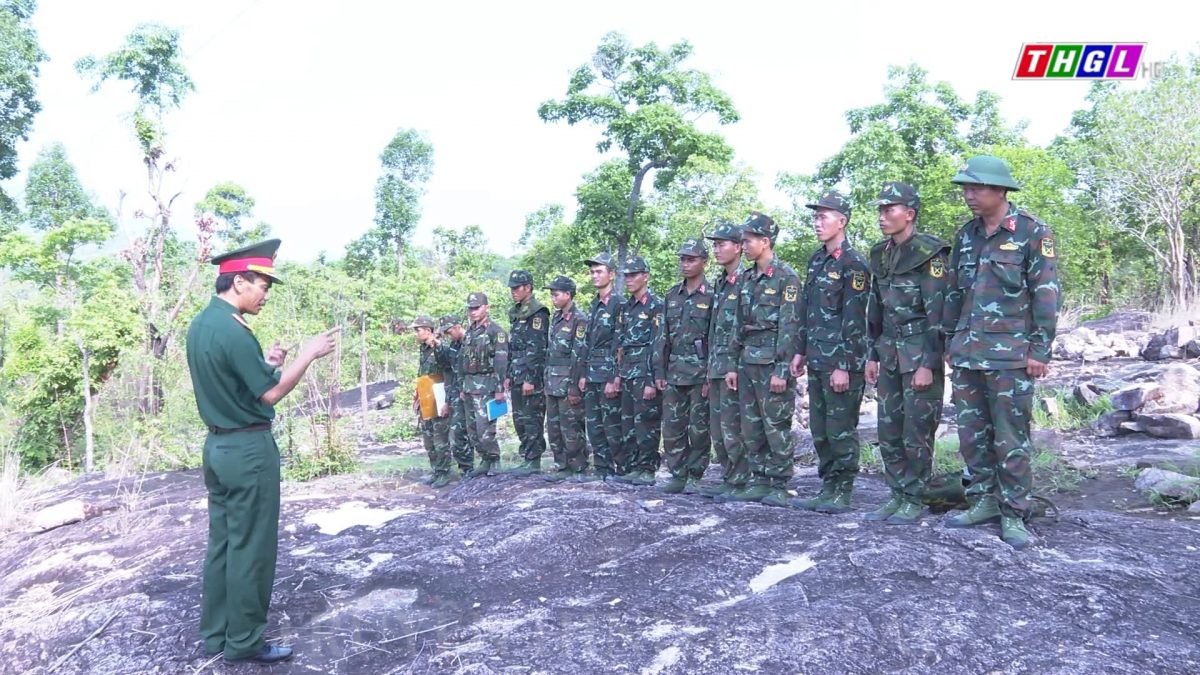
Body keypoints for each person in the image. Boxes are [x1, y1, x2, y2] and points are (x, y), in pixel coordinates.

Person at [186, 238, 339, 665]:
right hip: (247, 450)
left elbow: (238, 385)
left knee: (223, 544)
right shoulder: (233, 331)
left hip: (218, 447)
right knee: (251, 547)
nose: (265, 294)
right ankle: (245, 641)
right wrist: (307, 355)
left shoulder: (203, 324)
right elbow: (269, 396)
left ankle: (217, 634)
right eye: (262, 285)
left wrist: (269, 364)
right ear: (239, 282)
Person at [942, 155, 1060, 550]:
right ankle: (982, 501)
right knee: (972, 435)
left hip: (1011, 355)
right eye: (965, 188)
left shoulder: (1032, 232)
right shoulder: (966, 235)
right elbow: (954, 292)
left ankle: (1013, 512)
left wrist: (1040, 349)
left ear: (999, 190)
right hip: (967, 352)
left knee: (1011, 438)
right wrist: (950, 341)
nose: (968, 195)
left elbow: (1046, 293)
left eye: (975, 188)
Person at [862, 182, 950, 523]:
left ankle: (915, 496)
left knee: (917, 430)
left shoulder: (930, 253)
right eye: (880, 210)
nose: (882, 216)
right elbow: (876, 308)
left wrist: (929, 363)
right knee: (889, 429)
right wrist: (872, 354)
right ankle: (897, 493)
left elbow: (938, 315)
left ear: (909, 214)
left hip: (918, 354)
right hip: (888, 353)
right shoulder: (880, 254)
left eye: (889, 210)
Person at [790, 192, 870, 513]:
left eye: (823, 216)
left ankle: (843, 490)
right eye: (815, 216)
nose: (817, 222)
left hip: (841, 363)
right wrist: (800, 351)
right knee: (820, 429)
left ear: (842, 221)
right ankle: (828, 487)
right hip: (817, 359)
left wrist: (844, 365)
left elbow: (856, 319)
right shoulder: (817, 260)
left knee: (840, 429)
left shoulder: (854, 264)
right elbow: (807, 310)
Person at [722, 212, 802, 507]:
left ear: (765, 241)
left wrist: (782, 369)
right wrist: (732, 364)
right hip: (747, 361)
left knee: (775, 424)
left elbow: (790, 326)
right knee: (751, 425)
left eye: (748, 241)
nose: (743, 246)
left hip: (772, 362)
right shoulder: (746, 278)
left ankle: (779, 483)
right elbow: (737, 324)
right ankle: (759, 480)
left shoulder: (786, 277)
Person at [659, 239, 714, 494]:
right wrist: (659, 370)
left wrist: (710, 375)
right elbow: (663, 337)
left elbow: (716, 337)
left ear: (704, 262)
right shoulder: (672, 295)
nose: (685, 264)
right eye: (682, 259)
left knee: (698, 428)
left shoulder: (713, 294)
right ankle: (677, 474)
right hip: (674, 372)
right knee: (672, 427)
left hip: (700, 372)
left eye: (691, 259)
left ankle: (695, 475)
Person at [700, 222, 747, 499]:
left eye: (722, 244)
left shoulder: (746, 279)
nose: (716, 249)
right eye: (714, 245)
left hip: (735, 367)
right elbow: (714, 329)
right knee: (718, 429)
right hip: (716, 366)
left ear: (738, 247)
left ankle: (741, 480)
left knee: (733, 427)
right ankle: (729, 477)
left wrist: (734, 365)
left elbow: (743, 327)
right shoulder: (720, 282)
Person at [615, 255, 666, 485]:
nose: (629, 279)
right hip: (627, 371)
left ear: (645, 276)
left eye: (633, 275)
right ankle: (634, 466)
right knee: (628, 423)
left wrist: (651, 380)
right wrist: (618, 373)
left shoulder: (656, 305)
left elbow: (658, 344)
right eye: (626, 275)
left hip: (645, 371)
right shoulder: (626, 307)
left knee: (647, 422)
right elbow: (621, 345)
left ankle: (647, 468)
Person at [577, 253, 623, 480]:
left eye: (599, 271)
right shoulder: (595, 304)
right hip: (592, 372)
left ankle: (621, 468)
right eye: (592, 272)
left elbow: (619, 344)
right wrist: (583, 373)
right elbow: (587, 342)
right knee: (594, 425)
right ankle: (602, 468)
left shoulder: (619, 304)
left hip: (607, 373)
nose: (594, 275)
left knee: (612, 425)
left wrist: (614, 377)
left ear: (611, 275)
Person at [541, 275, 591, 482]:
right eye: (552, 294)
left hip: (568, 381)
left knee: (571, 426)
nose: (553, 298)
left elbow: (579, 354)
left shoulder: (579, 319)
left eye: (556, 294)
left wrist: (574, 385)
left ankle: (578, 467)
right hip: (552, 382)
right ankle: (561, 465)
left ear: (568, 294)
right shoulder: (557, 318)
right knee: (553, 428)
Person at [506, 270, 551, 476]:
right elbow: (513, 346)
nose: (513, 291)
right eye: (512, 288)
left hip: (530, 375)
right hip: (516, 372)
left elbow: (537, 349)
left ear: (528, 287)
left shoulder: (537, 312)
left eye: (517, 288)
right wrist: (509, 374)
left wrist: (530, 378)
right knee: (519, 418)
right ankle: (526, 455)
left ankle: (534, 459)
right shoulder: (516, 312)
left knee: (532, 417)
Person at [461, 292, 509, 477]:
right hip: (469, 386)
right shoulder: (469, 332)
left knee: (485, 429)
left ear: (486, 308)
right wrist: (462, 387)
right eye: (470, 308)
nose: (473, 312)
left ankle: (494, 459)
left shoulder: (496, 332)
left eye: (476, 308)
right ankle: (484, 460)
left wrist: (499, 389)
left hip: (487, 386)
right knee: (472, 429)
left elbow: (501, 362)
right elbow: (464, 360)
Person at [411, 315, 453, 488]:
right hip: (426, 395)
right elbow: (423, 374)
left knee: (440, 437)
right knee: (428, 437)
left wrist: (447, 400)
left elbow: (449, 372)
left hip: (439, 395)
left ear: (428, 330)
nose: (416, 333)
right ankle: (436, 470)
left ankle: (444, 472)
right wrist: (417, 395)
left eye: (418, 330)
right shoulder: (424, 349)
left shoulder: (441, 347)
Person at [438, 314, 475, 478]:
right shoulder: (454, 345)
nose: (448, 335)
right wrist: (447, 401)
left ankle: (474, 468)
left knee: (472, 433)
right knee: (457, 435)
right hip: (456, 395)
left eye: (449, 332)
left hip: (473, 393)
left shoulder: (472, 341)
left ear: (458, 327)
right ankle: (466, 469)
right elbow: (451, 374)